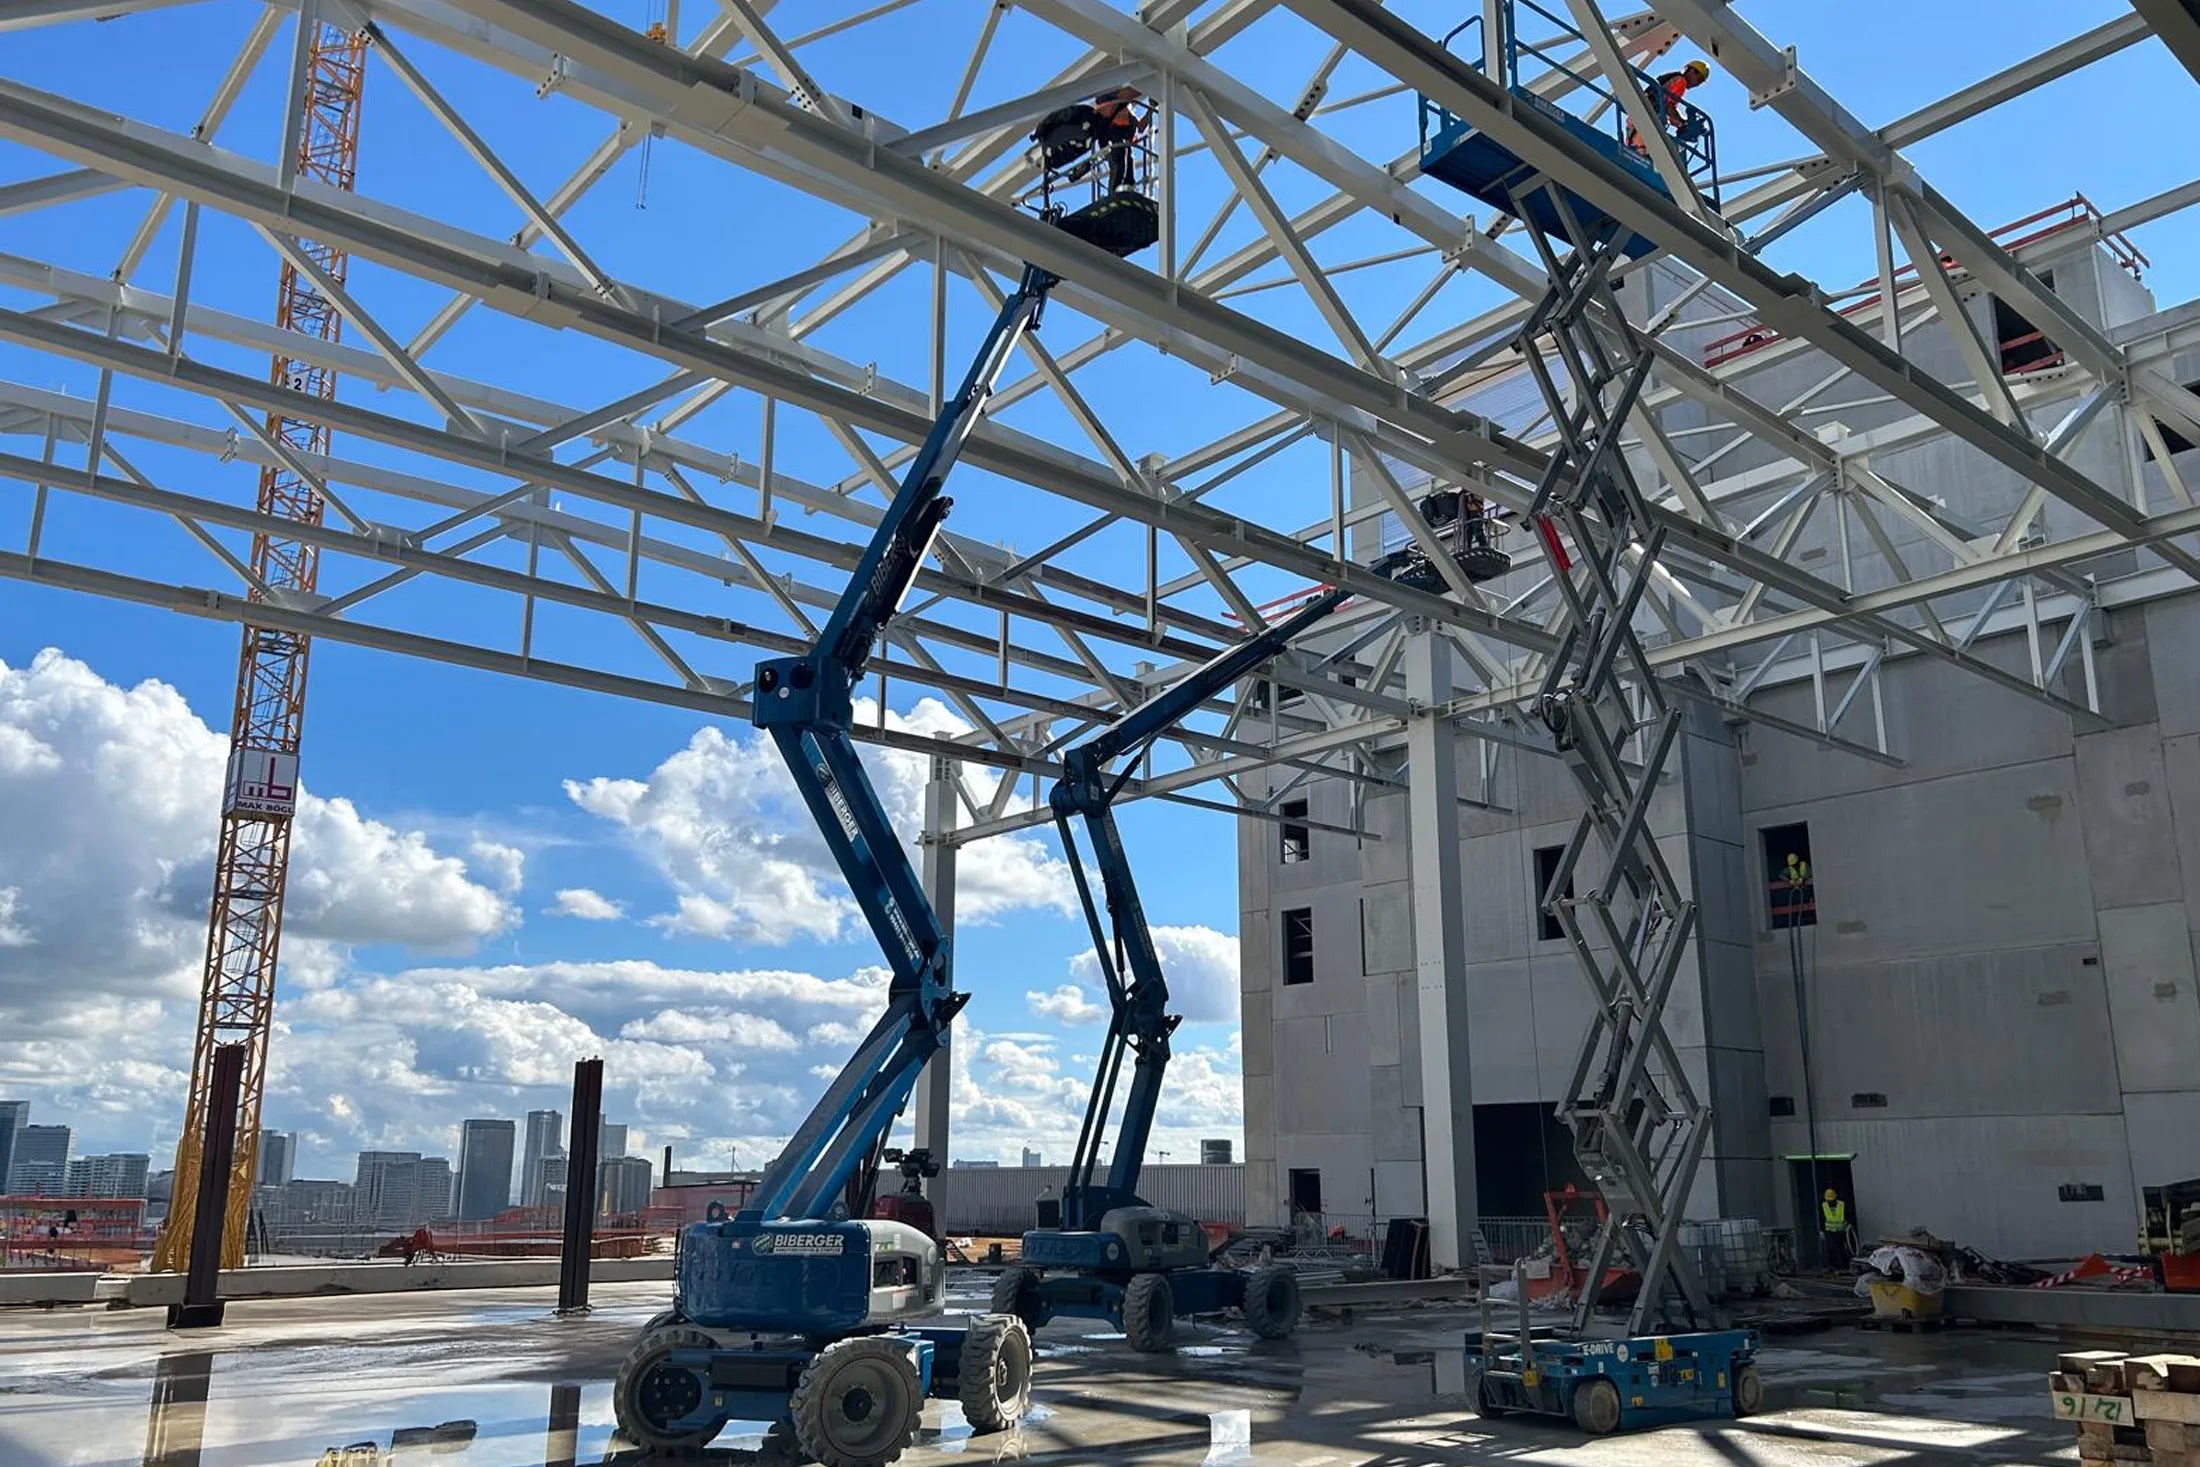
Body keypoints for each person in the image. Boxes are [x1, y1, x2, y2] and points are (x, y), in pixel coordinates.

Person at [1628, 59, 1711, 155]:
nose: (1697, 84)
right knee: (1641, 154)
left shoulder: (1673, 78)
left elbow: (1669, 111)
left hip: (1639, 117)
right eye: (1699, 79)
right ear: (1692, 71)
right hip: (1648, 118)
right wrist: (1683, 124)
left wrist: (1682, 123)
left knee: (1635, 150)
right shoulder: (1680, 81)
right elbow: (1669, 108)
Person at [1092, 85, 1148, 193]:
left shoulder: (1129, 116)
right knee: (1119, 160)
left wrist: (1152, 109)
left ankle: (1128, 188)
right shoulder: (1111, 107)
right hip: (1112, 142)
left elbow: (1141, 127)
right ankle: (1115, 191)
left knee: (1129, 160)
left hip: (1122, 143)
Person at [1821, 1187, 1852, 1272]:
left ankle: (1843, 1265)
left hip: (1841, 1231)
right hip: (1830, 1231)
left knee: (1842, 1249)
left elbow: (1848, 1215)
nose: (1830, 1201)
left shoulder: (1841, 1205)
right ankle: (1833, 1266)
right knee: (1831, 1249)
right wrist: (1821, 1230)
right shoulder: (1824, 1206)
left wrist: (1848, 1225)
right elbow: (1821, 1218)